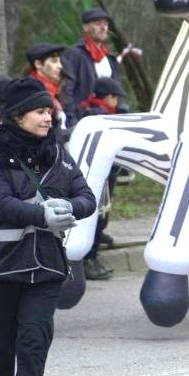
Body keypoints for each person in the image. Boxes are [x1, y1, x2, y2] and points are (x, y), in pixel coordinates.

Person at [0, 77, 96, 376]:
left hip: (45, 268)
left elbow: (87, 197)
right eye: (40, 111)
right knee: (0, 351)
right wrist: (41, 214)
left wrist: (70, 207)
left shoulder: (58, 154)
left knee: (33, 344)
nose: (48, 118)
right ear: (18, 115)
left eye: (50, 111)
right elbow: (0, 201)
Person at [73, 77, 126, 280]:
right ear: (109, 97)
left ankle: (92, 257)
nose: (117, 103)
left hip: (99, 173)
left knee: (98, 216)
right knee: (97, 216)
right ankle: (89, 259)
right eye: (116, 98)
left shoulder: (92, 112)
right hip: (100, 175)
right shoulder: (100, 116)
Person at [61, 7, 124, 125]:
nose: (103, 27)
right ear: (86, 27)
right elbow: (67, 90)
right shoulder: (74, 54)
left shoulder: (110, 57)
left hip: (108, 118)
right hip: (83, 119)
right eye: (98, 23)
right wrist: (72, 119)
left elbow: (116, 90)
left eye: (105, 24)